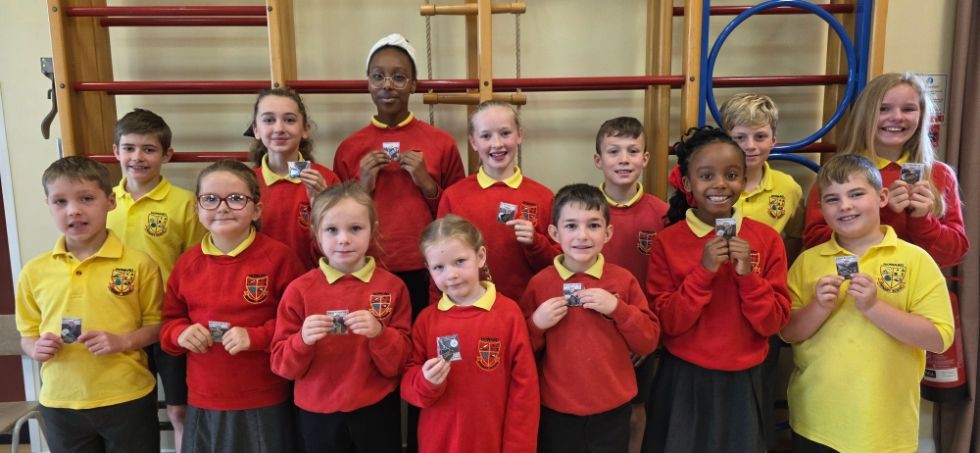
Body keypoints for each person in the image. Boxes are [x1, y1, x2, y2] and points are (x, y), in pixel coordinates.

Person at [781, 154, 953, 452]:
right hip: (815, 423)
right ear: (821, 208)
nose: (845, 206)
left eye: (856, 194)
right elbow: (787, 332)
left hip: (886, 428)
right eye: (832, 199)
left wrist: (875, 308)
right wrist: (818, 307)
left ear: (882, 197)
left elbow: (939, 338)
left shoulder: (916, 260)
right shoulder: (808, 262)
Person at [643, 126, 791, 453]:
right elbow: (667, 323)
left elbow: (773, 323)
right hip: (684, 379)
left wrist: (748, 277)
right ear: (687, 184)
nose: (720, 184)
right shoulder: (668, 241)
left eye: (732, 175)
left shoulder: (766, 240)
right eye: (706, 175)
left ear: (744, 180)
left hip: (745, 380)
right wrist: (703, 273)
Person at [16, 156, 163, 453]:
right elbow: (27, 334)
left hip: (127, 396)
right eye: (60, 201)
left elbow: (156, 326)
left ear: (110, 201)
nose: (74, 210)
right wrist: (35, 348)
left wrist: (122, 341)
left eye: (86, 198)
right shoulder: (34, 271)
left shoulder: (140, 264)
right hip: (61, 400)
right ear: (48, 205)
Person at [160, 160, 306, 453]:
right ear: (197, 209)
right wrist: (180, 334)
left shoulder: (279, 258)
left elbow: (298, 325)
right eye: (210, 199)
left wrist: (256, 337)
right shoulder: (187, 263)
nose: (223, 207)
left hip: (264, 398)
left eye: (236, 198)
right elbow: (168, 325)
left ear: (257, 209)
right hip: (204, 398)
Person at [271, 182, 412, 453]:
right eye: (332, 230)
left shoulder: (393, 287)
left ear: (373, 229)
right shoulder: (299, 290)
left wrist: (380, 334)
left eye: (355, 228)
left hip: (376, 409)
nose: (344, 239)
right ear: (316, 233)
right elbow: (282, 367)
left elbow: (398, 364)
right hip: (317, 412)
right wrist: (302, 340)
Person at [333, 33, 466, 320]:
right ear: (368, 82)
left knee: (424, 339)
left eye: (399, 77)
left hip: (430, 265)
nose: (387, 85)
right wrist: (362, 187)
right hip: (367, 265)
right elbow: (334, 221)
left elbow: (458, 216)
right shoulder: (349, 148)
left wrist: (427, 185)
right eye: (378, 76)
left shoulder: (441, 143)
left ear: (413, 84)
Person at [522, 183, 659, 453]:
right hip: (557, 411)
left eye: (593, 225)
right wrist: (536, 324)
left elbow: (647, 342)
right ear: (554, 233)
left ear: (608, 233)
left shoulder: (623, 280)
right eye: (571, 226)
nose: (582, 236)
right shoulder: (539, 284)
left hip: (612, 410)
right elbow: (522, 350)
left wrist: (618, 309)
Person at [107, 108, 206, 452]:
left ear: (166, 155)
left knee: (179, 408)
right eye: (129, 148)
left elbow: (198, 265)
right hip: (120, 322)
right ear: (116, 151)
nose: (138, 157)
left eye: (148, 149)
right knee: (131, 410)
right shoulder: (103, 202)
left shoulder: (184, 203)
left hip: (168, 322)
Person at [402, 215, 539, 453]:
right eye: (439, 267)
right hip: (439, 442)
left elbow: (524, 391)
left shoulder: (508, 314)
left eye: (459, 261)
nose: (451, 274)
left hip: (492, 440)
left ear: (480, 257)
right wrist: (426, 381)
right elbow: (408, 383)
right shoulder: (426, 320)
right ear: (428, 269)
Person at [802, 73, 968, 268]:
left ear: (922, 115)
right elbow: (814, 245)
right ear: (865, 115)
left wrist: (922, 221)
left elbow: (953, 256)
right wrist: (879, 211)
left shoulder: (940, 174)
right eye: (883, 109)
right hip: (851, 284)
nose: (897, 117)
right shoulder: (836, 173)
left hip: (916, 285)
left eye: (908, 109)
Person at [719, 93, 804, 449]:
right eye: (740, 137)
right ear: (726, 139)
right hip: (718, 305)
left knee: (760, 390)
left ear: (774, 139)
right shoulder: (713, 183)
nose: (750, 146)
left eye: (760, 136)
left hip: (762, 305)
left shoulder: (788, 189)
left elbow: (794, 240)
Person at [591, 117, 668, 453]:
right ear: (598, 160)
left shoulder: (663, 214)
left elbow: (666, 284)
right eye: (614, 151)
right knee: (592, 413)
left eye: (632, 151)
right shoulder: (581, 211)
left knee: (636, 412)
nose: (624, 159)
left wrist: (644, 336)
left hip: (639, 337)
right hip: (591, 331)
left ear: (645, 158)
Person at [438, 100, 558, 304]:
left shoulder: (543, 196)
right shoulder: (454, 196)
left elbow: (558, 264)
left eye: (505, 133)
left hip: (529, 308)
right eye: (486, 136)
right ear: (473, 142)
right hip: (470, 308)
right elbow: (439, 260)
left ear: (519, 135)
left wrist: (536, 243)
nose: (497, 144)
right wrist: (438, 309)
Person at [248, 87, 340, 269]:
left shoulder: (326, 179)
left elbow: (341, 244)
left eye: (289, 120)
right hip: (261, 280)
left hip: (315, 279)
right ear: (256, 130)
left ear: (305, 129)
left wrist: (322, 208)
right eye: (269, 120)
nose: (279, 128)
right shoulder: (245, 183)